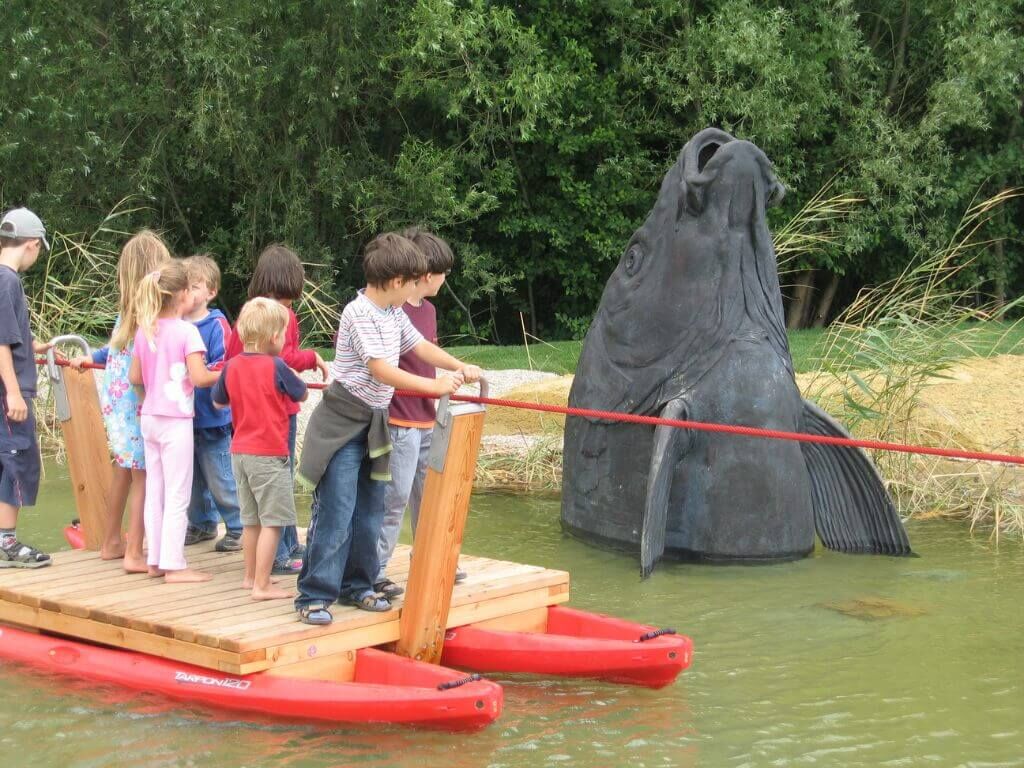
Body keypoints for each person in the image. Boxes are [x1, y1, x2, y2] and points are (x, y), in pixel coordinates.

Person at [294, 232, 481, 625]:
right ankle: (315, 594)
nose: (415, 289)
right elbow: (381, 368)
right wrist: (434, 386)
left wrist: (457, 366)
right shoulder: (357, 313)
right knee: (337, 508)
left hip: (375, 426)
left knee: (371, 510)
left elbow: (419, 348)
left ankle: (359, 585)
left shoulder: (394, 314)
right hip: (343, 424)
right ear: (397, 281)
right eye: (412, 281)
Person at [374, 229, 479, 597]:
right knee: (395, 497)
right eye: (443, 272)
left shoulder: (428, 312)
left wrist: (458, 367)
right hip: (400, 418)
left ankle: (430, 556)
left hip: (427, 416)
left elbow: (425, 353)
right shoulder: (392, 310)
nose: (445, 279)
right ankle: (376, 568)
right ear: (424, 273)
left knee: (428, 492)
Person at [225, 244, 328, 575]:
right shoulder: (271, 318)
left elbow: (238, 363)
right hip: (273, 416)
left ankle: (287, 543)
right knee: (275, 483)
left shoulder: (258, 316)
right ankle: (281, 555)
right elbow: (285, 359)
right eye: (284, 298)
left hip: (263, 418)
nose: (286, 307)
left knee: (278, 483)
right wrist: (311, 358)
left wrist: (307, 357)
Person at [70, 230, 168, 571]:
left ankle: (112, 541)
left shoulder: (125, 315)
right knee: (144, 476)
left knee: (124, 470)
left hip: (117, 407)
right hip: (138, 405)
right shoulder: (149, 319)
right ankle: (135, 553)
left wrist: (89, 357)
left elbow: (112, 350)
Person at [129, 260, 221, 582]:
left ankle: (155, 559)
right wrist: (223, 373)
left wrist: (150, 398)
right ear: (183, 294)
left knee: (156, 489)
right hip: (176, 420)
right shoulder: (187, 332)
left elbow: (135, 376)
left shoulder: (145, 329)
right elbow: (198, 377)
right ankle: (175, 564)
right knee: (178, 492)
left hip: (149, 418)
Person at [213, 298, 308, 600]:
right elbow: (301, 393)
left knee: (250, 520)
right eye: (282, 334)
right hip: (268, 454)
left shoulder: (232, 366)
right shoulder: (276, 366)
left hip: (239, 452)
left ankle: (250, 577)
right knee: (274, 521)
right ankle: (262, 585)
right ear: (272, 338)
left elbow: (218, 400)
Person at [0, 208, 53, 568]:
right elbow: (1, 341)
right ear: (32, 244)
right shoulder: (8, 281)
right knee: (17, 462)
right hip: (8, 393)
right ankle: (7, 543)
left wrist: (31, 346)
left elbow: (10, 334)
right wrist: (14, 392)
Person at [181, 254, 243, 552]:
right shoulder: (175, 324)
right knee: (192, 476)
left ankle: (238, 525)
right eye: (184, 286)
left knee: (220, 475)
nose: (188, 293)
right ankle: (202, 523)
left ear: (211, 292)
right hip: (183, 416)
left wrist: (199, 373)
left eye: (195, 286)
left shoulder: (216, 324)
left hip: (213, 416)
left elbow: (226, 365)